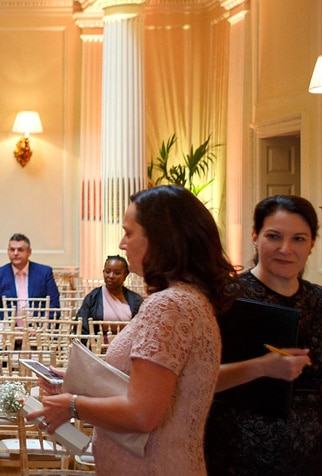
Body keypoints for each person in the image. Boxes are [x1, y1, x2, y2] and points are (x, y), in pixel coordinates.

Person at [29, 185, 237, 476]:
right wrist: (80, 381)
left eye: (129, 232)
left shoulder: (169, 305)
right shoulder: (187, 297)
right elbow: (155, 389)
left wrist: (72, 405)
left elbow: (142, 414)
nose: (122, 243)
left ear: (161, 238)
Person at [204, 195, 321, 475]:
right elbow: (195, 381)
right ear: (255, 237)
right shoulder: (224, 298)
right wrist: (261, 367)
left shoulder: (318, 301)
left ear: (312, 244)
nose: (285, 249)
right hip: (236, 455)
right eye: (274, 236)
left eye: (299, 239)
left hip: (310, 458)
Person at [0, 232, 61, 312]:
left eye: (20, 250)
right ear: (8, 251)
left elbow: (54, 305)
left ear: (29, 252)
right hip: (7, 323)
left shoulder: (45, 272)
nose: (15, 253)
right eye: (12, 250)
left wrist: (43, 324)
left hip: (38, 323)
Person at [76, 254, 143, 334]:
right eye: (107, 272)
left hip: (128, 345)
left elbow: (141, 329)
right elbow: (81, 326)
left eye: (117, 273)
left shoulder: (135, 300)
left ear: (125, 275)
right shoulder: (92, 297)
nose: (111, 276)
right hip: (98, 344)